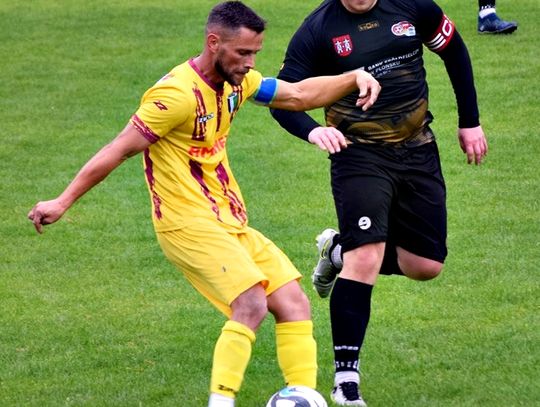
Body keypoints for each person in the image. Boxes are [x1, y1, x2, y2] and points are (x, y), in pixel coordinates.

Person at [27, 2, 380, 406]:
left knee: (293, 301)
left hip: (229, 220)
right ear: (214, 43)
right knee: (250, 303)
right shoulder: (175, 96)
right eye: (243, 53)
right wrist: (62, 201)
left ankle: (302, 395)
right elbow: (119, 149)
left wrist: (353, 77)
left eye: (255, 53)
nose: (250, 63)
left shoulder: (238, 82)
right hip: (186, 224)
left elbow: (298, 94)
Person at [270, 0, 488, 405]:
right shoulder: (317, 30)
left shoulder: (413, 6)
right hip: (357, 152)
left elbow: (454, 50)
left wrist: (470, 121)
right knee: (366, 256)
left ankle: (337, 251)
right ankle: (345, 381)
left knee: (425, 266)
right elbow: (284, 97)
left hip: (418, 146)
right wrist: (313, 131)